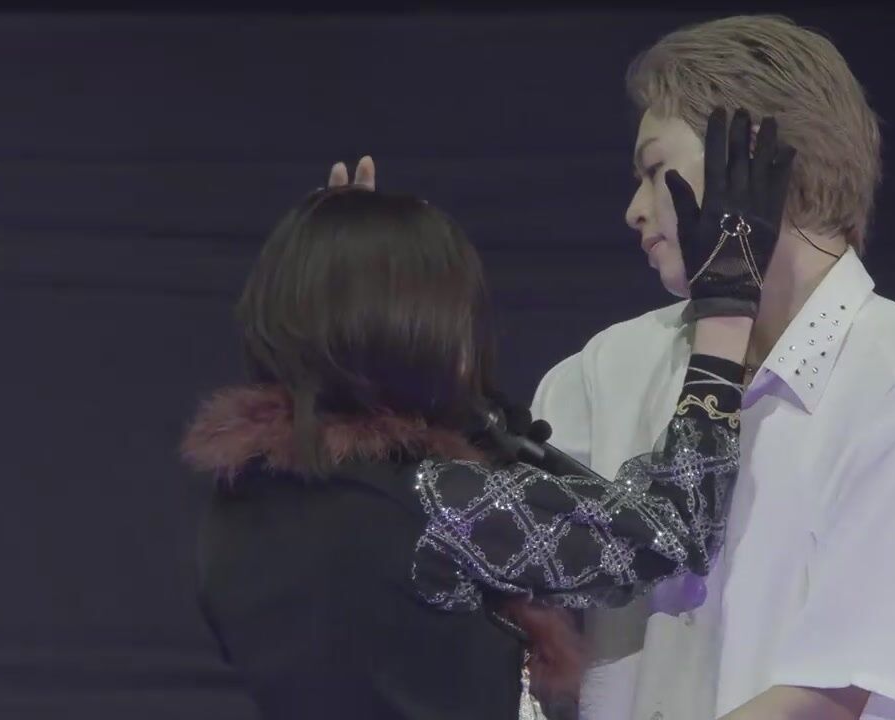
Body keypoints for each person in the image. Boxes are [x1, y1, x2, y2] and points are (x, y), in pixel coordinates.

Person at [180, 111, 796, 720]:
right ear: (414, 331)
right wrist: (725, 309)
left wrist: (336, 267)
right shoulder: (432, 504)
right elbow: (671, 531)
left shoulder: (233, 516)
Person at [525, 14, 895, 720]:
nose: (633, 210)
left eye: (655, 171)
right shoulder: (610, 368)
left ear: (752, 156)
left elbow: (828, 695)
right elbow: (514, 589)